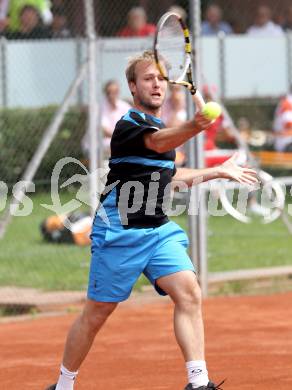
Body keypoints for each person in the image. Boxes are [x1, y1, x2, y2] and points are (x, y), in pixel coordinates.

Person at [45, 50, 258, 390]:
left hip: (157, 230)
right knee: (96, 315)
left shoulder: (160, 129)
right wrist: (193, 125)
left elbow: (169, 174)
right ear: (133, 87)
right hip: (119, 232)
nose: (157, 84)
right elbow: (158, 144)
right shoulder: (129, 126)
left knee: (188, 292)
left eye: (161, 78)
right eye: (148, 78)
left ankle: (198, 381)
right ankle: (63, 384)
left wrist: (218, 170)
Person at [82, 80, 131, 158]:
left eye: (115, 91)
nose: (112, 95)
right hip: (95, 147)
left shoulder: (125, 107)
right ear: (105, 93)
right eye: (109, 92)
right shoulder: (98, 107)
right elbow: (103, 131)